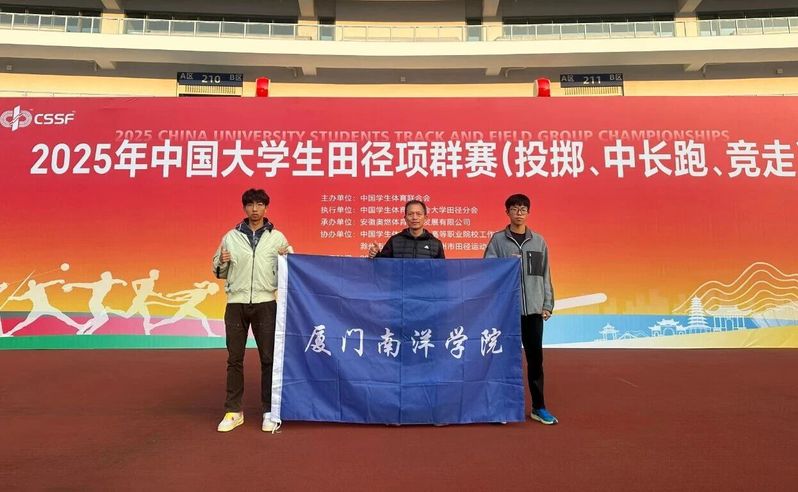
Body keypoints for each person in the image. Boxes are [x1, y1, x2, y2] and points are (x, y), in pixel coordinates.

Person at [212, 188, 290, 433]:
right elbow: (218, 271)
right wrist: (222, 261)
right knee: (234, 359)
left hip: (266, 303)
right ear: (244, 207)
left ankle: (269, 410)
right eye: (250, 205)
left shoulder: (277, 238)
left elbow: (291, 268)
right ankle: (233, 411)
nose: (255, 209)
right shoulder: (231, 236)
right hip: (236, 303)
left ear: (266, 207)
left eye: (259, 204)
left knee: (269, 359)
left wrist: (287, 257)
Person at [484, 193, 557, 425]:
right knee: (505, 360)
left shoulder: (538, 241)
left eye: (523, 209)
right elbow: (488, 271)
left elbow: (545, 274)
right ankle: (503, 408)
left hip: (533, 312)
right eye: (514, 208)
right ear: (507, 212)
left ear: (528, 212)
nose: (519, 213)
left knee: (535, 361)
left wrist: (547, 304)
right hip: (507, 312)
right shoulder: (498, 240)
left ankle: (539, 407)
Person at [368, 200, 445, 259]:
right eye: (410, 214)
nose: (414, 218)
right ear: (405, 218)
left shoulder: (436, 243)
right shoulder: (394, 241)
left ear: (425, 218)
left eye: (418, 214)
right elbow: (383, 266)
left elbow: (441, 271)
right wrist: (376, 254)